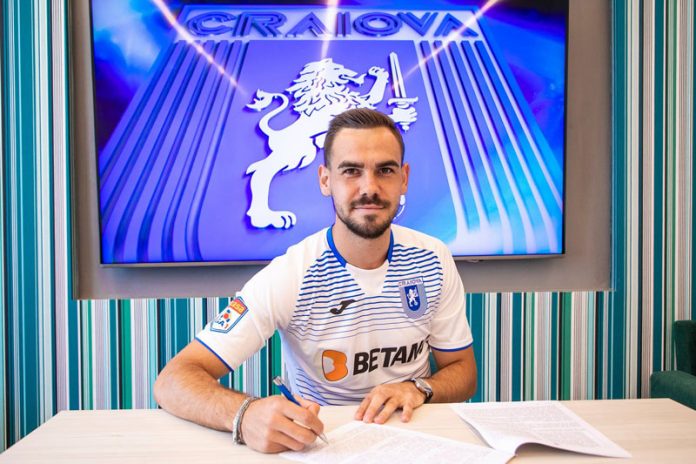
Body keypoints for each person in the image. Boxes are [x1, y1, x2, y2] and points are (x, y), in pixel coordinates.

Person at [154, 108, 477, 454]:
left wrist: (418, 388)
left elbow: (463, 372)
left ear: (404, 179)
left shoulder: (433, 258)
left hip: (418, 441)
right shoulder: (290, 274)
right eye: (351, 171)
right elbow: (173, 380)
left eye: (385, 170)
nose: (369, 188)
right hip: (322, 445)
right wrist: (244, 414)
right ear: (325, 180)